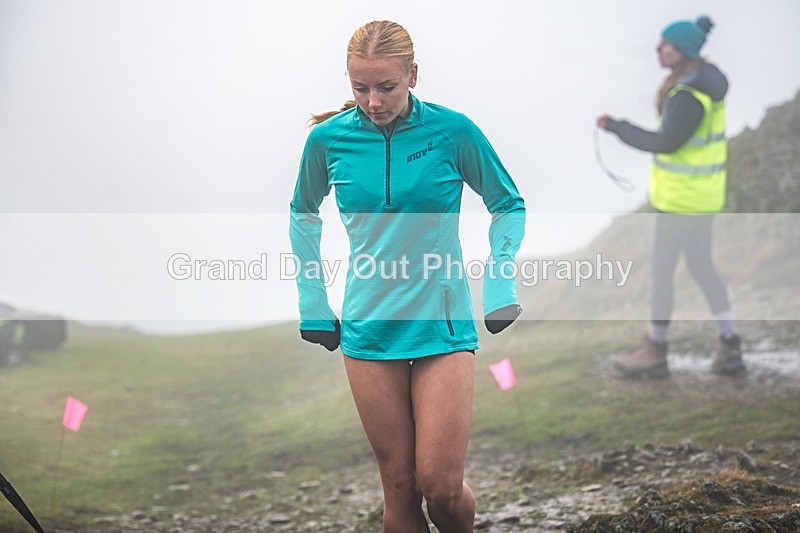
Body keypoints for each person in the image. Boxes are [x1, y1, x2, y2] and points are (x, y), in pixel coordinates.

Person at [289, 20, 525, 532]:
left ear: (413, 74)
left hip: (441, 324)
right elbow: (301, 213)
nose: (373, 101)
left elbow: (508, 203)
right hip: (368, 326)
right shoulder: (328, 141)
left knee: (440, 487)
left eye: (386, 87)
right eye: (360, 87)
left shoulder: (452, 130)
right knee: (398, 486)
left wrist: (499, 283)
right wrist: (312, 300)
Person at [597, 15, 744, 379]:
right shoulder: (702, 84)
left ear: (684, 51)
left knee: (664, 273)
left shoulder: (688, 95)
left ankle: (656, 351)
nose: (658, 49)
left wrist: (617, 127)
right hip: (701, 198)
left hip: (681, 202)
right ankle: (730, 344)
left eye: (666, 45)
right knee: (701, 267)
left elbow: (665, 143)